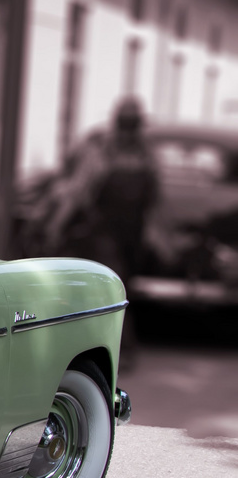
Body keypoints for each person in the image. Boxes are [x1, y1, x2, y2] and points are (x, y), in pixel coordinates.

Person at [46, 97, 159, 366]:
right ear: (118, 124)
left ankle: (117, 349)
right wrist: (56, 225)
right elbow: (78, 193)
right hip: (103, 232)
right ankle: (120, 350)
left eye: (133, 125)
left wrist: (156, 233)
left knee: (124, 286)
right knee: (113, 287)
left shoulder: (146, 157)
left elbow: (154, 200)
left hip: (132, 234)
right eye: (126, 124)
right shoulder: (101, 154)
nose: (129, 131)